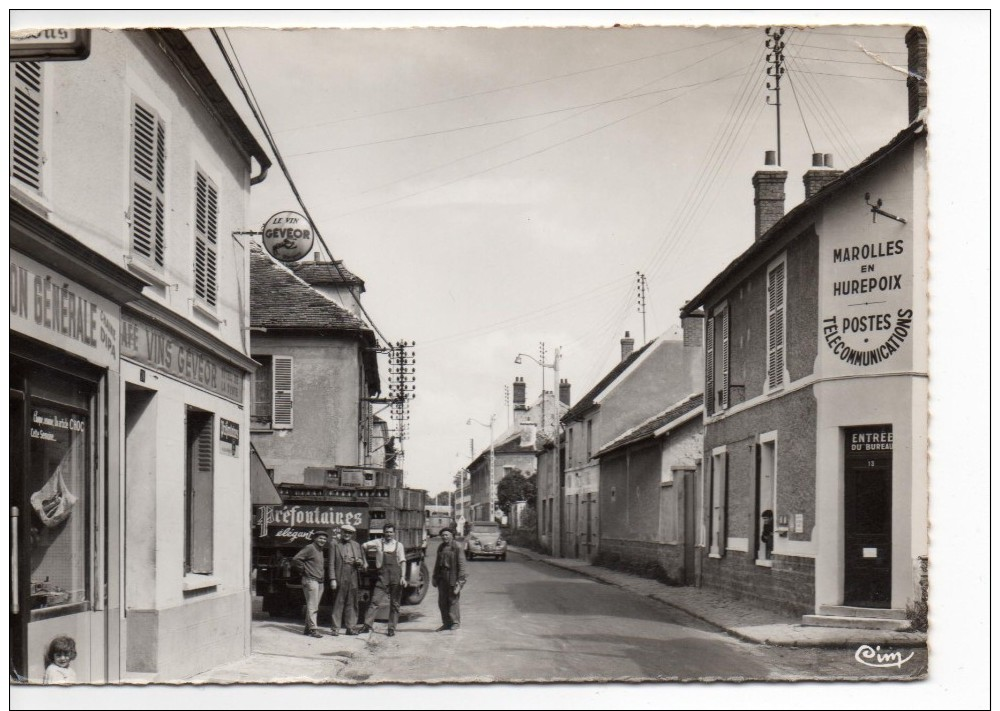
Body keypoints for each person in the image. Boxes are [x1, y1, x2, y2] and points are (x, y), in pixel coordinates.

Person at [359, 523, 407, 636]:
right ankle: (367, 625)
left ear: (394, 533)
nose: (388, 534)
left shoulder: (399, 545)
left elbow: (403, 561)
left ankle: (391, 628)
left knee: (395, 604)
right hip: (382, 577)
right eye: (387, 532)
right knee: (375, 601)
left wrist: (403, 577)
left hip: (396, 577)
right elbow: (363, 546)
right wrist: (364, 561)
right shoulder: (378, 542)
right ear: (383, 532)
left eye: (391, 532)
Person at [330, 523, 367, 635]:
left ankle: (350, 627)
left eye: (349, 533)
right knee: (339, 601)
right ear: (341, 532)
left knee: (352, 602)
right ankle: (335, 628)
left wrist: (359, 562)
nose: (347, 534)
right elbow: (331, 563)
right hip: (341, 574)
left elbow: (361, 561)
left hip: (353, 574)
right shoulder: (335, 544)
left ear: (352, 534)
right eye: (345, 532)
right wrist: (332, 579)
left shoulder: (356, 545)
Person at [292, 530, 329, 638]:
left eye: (325, 539)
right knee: (313, 606)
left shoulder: (320, 550)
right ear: (315, 538)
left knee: (313, 605)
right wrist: (304, 570)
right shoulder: (310, 548)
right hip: (310, 580)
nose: (323, 541)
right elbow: (296, 559)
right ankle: (313, 629)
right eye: (320, 538)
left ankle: (307, 628)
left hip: (319, 581)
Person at [432, 527, 467, 631]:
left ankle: (455, 622)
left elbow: (461, 564)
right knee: (442, 601)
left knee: (453, 600)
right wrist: (434, 576)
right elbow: (437, 563)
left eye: (447, 535)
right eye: (443, 535)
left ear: (452, 535)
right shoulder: (441, 547)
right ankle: (446, 623)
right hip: (442, 576)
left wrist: (460, 581)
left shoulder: (457, 546)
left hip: (452, 576)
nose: (444, 537)